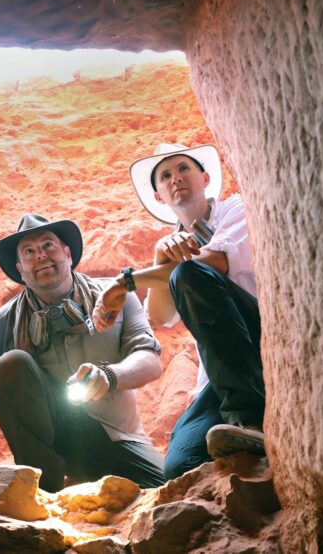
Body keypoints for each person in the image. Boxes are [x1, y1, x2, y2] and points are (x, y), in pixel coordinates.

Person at [92, 143, 266, 480]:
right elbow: (161, 316)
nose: (176, 179)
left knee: (190, 273)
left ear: (204, 177)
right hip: (224, 375)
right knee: (180, 466)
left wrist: (125, 281)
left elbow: (217, 262)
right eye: (165, 176)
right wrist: (161, 259)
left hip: (261, 340)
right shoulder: (170, 244)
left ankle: (249, 419)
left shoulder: (237, 209)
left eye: (183, 169)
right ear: (159, 196)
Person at [0, 214, 166, 492]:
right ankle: (44, 490)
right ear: (20, 269)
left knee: (167, 489)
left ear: (67, 254)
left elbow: (151, 360)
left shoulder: (115, 296)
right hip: (57, 438)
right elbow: (2, 394)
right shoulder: (4, 321)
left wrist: (109, 375)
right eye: (29, 252)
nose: (40, 256)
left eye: (48, 245)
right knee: (9, 365)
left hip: (117, 436)